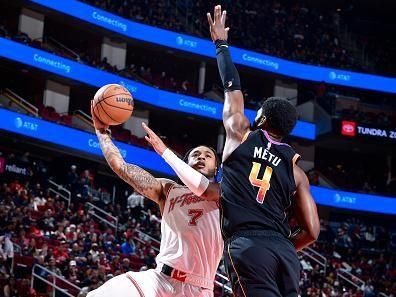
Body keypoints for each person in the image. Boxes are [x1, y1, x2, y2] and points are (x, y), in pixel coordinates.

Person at [147, 5, 320, 297]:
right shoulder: (296, 169)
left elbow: (232, 88)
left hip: (248, 245)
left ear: (262, 119)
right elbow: (313, 232)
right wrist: (279, 246)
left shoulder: (240, 133)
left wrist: (221, 44)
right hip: (285, 253)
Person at [87, 103, 223, 297]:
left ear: (216, 169)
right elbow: (122, 168)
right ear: (185, 164)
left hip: (198, 287)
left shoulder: (223, 193)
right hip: (160, 279)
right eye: (195, 154)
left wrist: (165, 151)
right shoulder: (168, 190)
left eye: (208, 155)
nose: (201, 156)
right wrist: (102, 133)